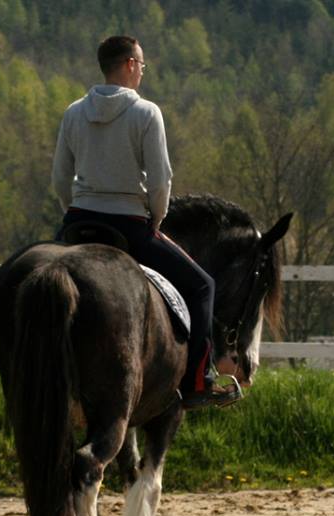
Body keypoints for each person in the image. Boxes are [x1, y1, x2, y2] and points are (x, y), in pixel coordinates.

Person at [51, 35, 239, 410]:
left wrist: (74, 210)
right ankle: (197, 380)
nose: (142, 71)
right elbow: (160, 181)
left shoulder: (73, 113)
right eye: (141, 64)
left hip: (77, 220)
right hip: (130, 226)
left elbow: (60, 176)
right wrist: (156, 217)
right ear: (130, 64)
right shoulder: (147, 113)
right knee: (202, 286)